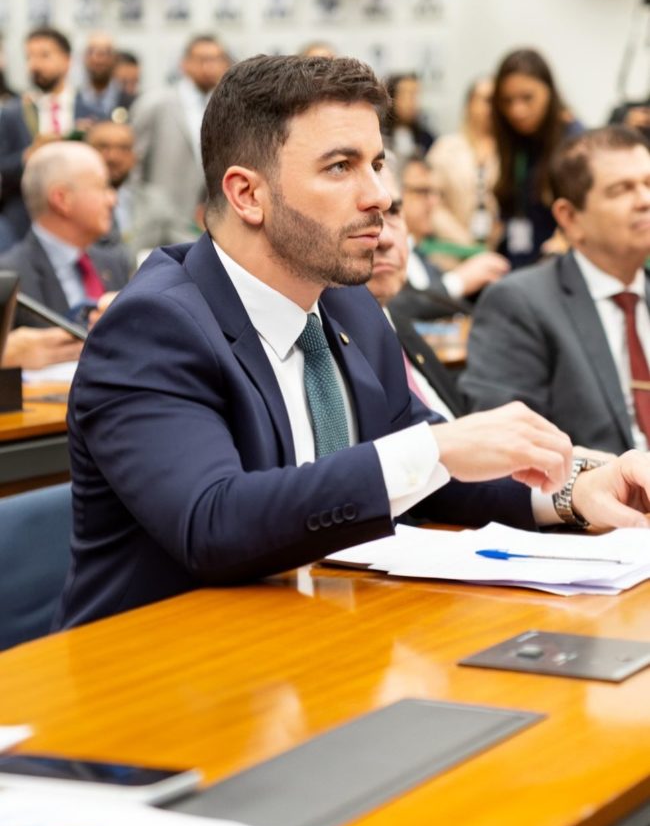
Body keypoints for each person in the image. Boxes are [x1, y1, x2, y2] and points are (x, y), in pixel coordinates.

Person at [54, 55, 650, 631]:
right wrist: (433, 449)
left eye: (377, 163)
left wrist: (575, 491)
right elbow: (213, 521)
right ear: (247, 194)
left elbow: (440, 478)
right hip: (163, 679)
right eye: (341, 167)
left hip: (322, 637)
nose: (380, 196)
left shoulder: (348, 307)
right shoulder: (154, 326)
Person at [461, 125, 650, 455]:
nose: (645, 200)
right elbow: (506, 450)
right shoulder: (520, 303)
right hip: (595, 498)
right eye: (622, 190)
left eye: (649, 184)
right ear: (570, 217)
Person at [367, 158, 465, 419]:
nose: (385, 238)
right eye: (367, 217)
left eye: (394, 213)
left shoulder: (397, 324)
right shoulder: (336, 346)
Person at [0, 141, 130, 329]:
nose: (113, 200)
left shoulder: (115, 263)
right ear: (61, 199)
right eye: (102, 187)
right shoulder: (9, 278)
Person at [0, 27, 103, 243]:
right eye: (29, 57)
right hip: (23, 229)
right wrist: (28, 156)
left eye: (44, 55)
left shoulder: (93, 114)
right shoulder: (12, 113)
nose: (35, 65)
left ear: (67, 60)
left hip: (80, 225)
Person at [492, 48, 583, 268]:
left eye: (527, 98)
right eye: (507, 101)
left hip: (559, 265)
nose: (517, 111)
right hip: (519, 261)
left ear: (549, 92)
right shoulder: (515, 140)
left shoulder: (574, 142)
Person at [391, 156, 509, 321]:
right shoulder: (380, 257)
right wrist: (460, 280)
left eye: (435, 193)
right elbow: (397, 307)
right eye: (422, 191)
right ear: (393, 192)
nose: (433, 202)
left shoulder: (424, 261)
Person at [130, 35, 231, 224]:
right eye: (202, 59)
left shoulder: (231, 108)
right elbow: (134, 162)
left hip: (213, 217)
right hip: (159, 217)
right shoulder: (155, 104)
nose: (209, 66)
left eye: (217, 59)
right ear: (184, 63)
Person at [86, 120, 187, 265]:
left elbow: (188, 245)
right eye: (103, 147)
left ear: (134, 156)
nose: (113, 157)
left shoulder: (156, 202)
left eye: (123, 148)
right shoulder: (72, 206)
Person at [426, 77, 499, 248]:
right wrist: (466, 243)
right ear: (469, 104)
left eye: (497, 101)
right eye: (487, 100)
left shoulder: (509, 153)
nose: (492, 108)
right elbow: (431, 203)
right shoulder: (446, 148)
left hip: (497, 251)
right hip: (451, 250)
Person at [382, 74, 435, 164]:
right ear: (391, 96)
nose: (412, 101)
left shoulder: (427, 139)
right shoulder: (379, 135)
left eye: (416, 95)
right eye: (406, 94)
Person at [80, 31, 132, 121]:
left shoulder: (130, 103)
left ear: (115, 58)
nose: (98, 59)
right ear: (84, 57)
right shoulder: (70, 101)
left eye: (106, 53)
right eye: (92, 52)